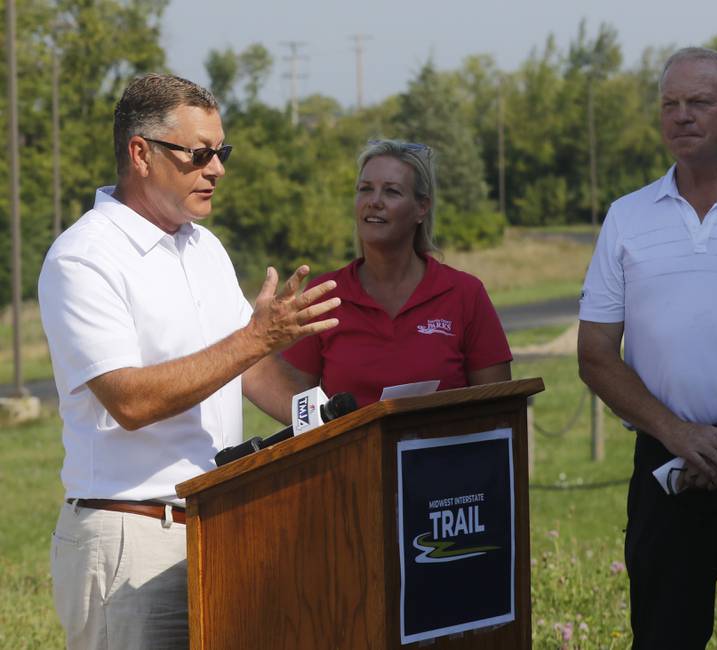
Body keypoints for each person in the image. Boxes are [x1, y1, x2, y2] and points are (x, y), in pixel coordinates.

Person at [38, 74, 340, 649]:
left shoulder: (204, 247)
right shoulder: (84, 257)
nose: (218, 168)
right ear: (141, 153)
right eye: (199, 153)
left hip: (216, 527)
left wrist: (344, 416)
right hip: (132, 536)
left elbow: (251, 372)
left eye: (221, 151)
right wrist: (256, 338)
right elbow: (130, 400)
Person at [577, 47, 717, 648]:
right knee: (663, 634)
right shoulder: (627, 217)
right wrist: (678, 435)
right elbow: (595, 352)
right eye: (669, 104)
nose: (681, 116)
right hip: (668, 464)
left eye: (699, 102)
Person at [282, 139, 511, 406]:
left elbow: (499, 409)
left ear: (421, 208)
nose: (374, 201)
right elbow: (295, 409)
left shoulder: (465, 293)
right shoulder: (325, 296)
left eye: (391, 192)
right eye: (365, 189)